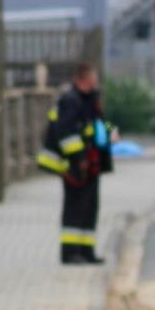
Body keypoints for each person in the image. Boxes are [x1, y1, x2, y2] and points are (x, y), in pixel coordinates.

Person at [37, 62, 113, 264]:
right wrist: (78, 159)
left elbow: (99, 122)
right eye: (93, 77)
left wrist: (110, 132)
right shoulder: (70, 101)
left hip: (93, 165)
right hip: (76, 166)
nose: (96, 81)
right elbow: (66, 134)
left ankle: (87, 251)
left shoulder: (90, 99)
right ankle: (70, 253)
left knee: (90, 208)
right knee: (75, 208)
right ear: (83, 78)